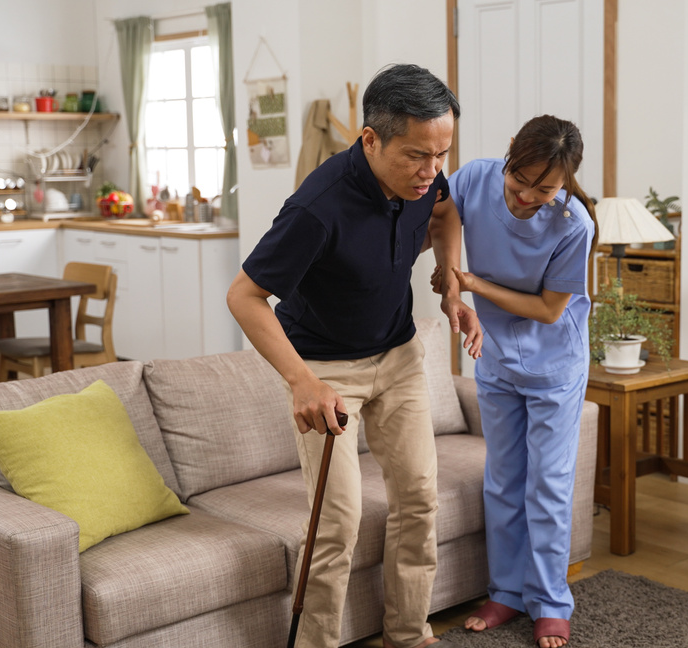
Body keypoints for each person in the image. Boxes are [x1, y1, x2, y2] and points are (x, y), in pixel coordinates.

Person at [226, 63, 482, 648]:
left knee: (420, 497)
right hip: (326, 370)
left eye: (442, 153)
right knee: (337, 522)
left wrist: (450, 286)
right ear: (371, 139)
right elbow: (244, 297)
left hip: (398, 357)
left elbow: (444, 212)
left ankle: (408, 635)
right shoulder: (317, 207)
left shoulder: (424, 182)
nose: (432, 170)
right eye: (417, 155)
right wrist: (301, 382)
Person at [427, 115, 595, 648]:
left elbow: (548, 310)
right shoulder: (476, 177)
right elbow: (443, 210)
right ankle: (505, 593)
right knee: (502, 479)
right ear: (507, 158)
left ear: (565, 182)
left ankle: (550, 602)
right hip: (496, 358)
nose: (525, 196)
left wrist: (473, 282)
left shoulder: (574, 226)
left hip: (555, 366)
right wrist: (451, 275)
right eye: (518, 181)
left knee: (546, 483)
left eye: (543, 189)